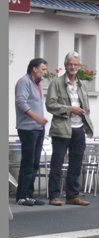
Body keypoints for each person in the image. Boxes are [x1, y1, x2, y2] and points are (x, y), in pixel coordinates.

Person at [45, 51, 95, 206]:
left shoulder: (81, 85)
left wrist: (83, 111)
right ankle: (54, 196)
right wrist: (70, 109)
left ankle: (73, 196)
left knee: (76, 163)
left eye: (75, 64)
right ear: (65, 65)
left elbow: (86, 106)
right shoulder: (56, 82)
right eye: (70, 64)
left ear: (79, 66)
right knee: (57, 163)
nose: (73, 67)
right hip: (62, 128)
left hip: (79, 128)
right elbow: (50, 105)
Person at [13, 57, 49, 206]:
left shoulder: (36, 84)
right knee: (28, 162)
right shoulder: (24, 82)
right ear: (34, 69)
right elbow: (21, 102)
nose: (45, 72)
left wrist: (40, 122)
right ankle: (21, 196)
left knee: (34, 163)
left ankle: (29, 194)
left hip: (38, 128)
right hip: (28, 128)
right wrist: (36, 118)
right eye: (44, 69)